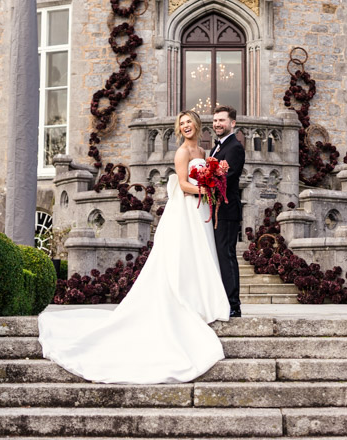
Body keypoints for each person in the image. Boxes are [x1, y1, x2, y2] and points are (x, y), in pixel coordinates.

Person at [38, 110, 230, 383]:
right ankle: (183, 297)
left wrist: (212, 183)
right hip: (186, 208)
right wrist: (206, 191)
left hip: (200, 211)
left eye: (189, 122)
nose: (186, 126)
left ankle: (202, 297)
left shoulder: (203, 149)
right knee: (184, 253)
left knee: (201, 253)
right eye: (182, 123)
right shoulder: (181, 153)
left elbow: (204, 177)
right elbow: (184, 185)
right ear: (179, 128)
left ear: (198, 125)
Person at [210, 105, 246, 317]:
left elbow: (227, 176)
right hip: (215, 210)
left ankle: (234, 305)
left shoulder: (235, 147)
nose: (217, 124)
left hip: (227, 210)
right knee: (219, 256)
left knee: (227, 255)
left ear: (233, 123)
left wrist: (204, 183)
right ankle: (222, 301)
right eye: (215, 121)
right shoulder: (218, 147)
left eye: (221, 120)